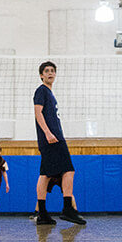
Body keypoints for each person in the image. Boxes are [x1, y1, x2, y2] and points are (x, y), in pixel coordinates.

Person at [33, 61, 85, 225]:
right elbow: (38, 113)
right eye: (46, 71)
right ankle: (68, 209)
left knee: (46, 174)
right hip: (52, 139)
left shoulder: (50, 93)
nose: (50, 73)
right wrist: (48, 133)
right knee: (68, 171)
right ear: (41, 75)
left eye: (52, 71)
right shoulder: (41, 90)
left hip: (54, 138)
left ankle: (42, 214)